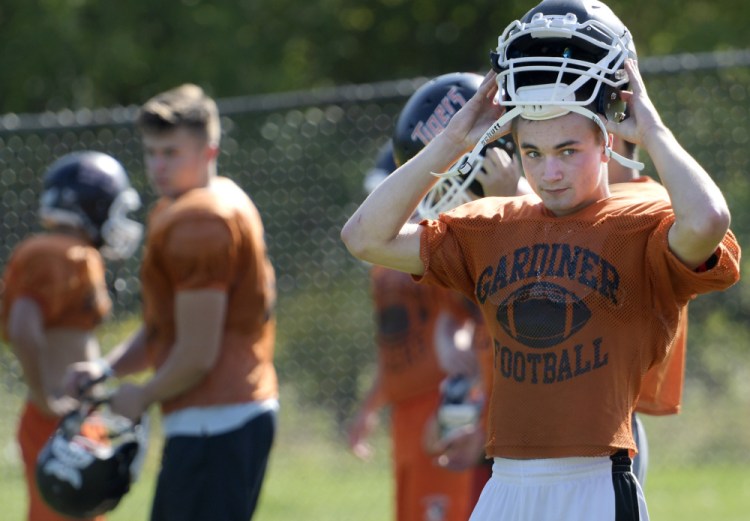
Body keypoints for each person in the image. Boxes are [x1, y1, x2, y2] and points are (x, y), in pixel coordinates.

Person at [341, 0, 741, 519]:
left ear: (606, 141)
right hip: (505, 480)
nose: (549, 172)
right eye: (533, 153)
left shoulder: (642, 217)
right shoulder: (492, 224)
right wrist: (452, 142)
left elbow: (709, 221)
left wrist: (654, 130)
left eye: (568, 150)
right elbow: (363, 236)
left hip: (594, 477)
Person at [66, 84, 278, 521]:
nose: (158, 165)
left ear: (208, 152)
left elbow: (198, 354)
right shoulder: (182, 206)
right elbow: (166, 328)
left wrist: (142, 395)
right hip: (217, 417)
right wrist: (107, 369)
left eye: (171, 152)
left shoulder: (200, 219)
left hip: (217, 421)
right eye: (152, 152)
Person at [1, 150, 143, 521]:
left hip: (73, 414)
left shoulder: (72, 253)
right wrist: (47, 397)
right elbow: (21, 326)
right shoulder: (60, 253)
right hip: (57, 417)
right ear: (92, 205)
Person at [348, 140, 480, 521]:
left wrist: (456, 404)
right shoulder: (381, 263)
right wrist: (370, 406)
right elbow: (392, 344)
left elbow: (473, 319)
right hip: (405, 406)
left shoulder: (435, 244)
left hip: (437, 399)